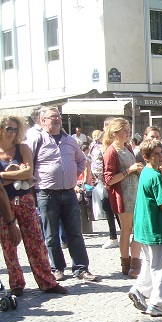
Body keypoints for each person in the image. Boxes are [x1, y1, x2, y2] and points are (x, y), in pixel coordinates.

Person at [26, 106, 98, 282]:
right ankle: (57, 268)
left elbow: (82, 161)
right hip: (47, 194)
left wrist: (72, 175)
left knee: (75, 233)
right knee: (51, 235)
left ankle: (81, 268)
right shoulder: (37, 139)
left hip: (69, 193)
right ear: (43, 121)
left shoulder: (70, 140)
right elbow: (29, 164)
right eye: (52, 117)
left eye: (58, 116)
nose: (57, 119)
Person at [0, 117, 64, 296]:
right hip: (3, 202)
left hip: (25, 199)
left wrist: (4, 176)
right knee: (8, 244)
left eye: (15, 129)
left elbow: (28, 172)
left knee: (35, 240)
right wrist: (16, 175)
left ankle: (47, 281)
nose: (12, 133)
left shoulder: (22, 148)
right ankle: (16, 283)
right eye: (8, 129)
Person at [127, 139, 162, 317]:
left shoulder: (146, 172)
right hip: (154, 226)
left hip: (143, 225)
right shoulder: (154, 176)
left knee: (149, 263)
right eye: (155, 154)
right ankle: (158, 303)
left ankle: (140, 290)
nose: (160, 156)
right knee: (161, 266)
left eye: (161, 152)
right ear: (146, 157)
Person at [102, 117, 144, 278]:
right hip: (124, 195)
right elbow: (109, 179)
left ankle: (135, 261)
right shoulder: (111, 151)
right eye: (125, 130)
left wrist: (137, 170)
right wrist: (129, 171)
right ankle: (127, 264)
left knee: (137, 230)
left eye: (128, 129)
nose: (128, 133)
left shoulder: (127, 148)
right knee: (126, 230)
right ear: (116, 132)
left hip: (134, 192)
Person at [88, 129, 119, 249]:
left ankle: (120, 236)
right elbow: (96, 166)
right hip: (106, 182)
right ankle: (114, 236)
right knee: (109, 207)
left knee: (116, 208)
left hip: (112, 181)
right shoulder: (97, 147)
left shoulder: (106, 148)